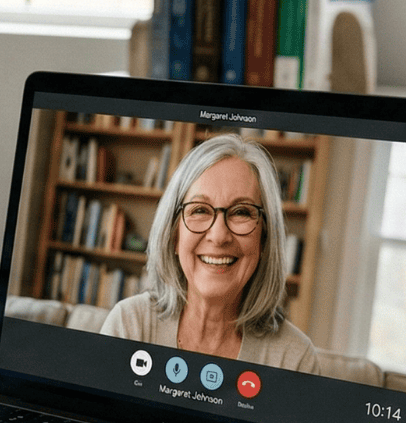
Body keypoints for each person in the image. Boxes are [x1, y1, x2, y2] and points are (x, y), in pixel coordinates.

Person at [100, 134, 319, 372]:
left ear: (264, 240)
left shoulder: (296, 359)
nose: (219, 235)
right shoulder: (130, 325)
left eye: (241, 212)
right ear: (174, 235)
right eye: (200, 210)